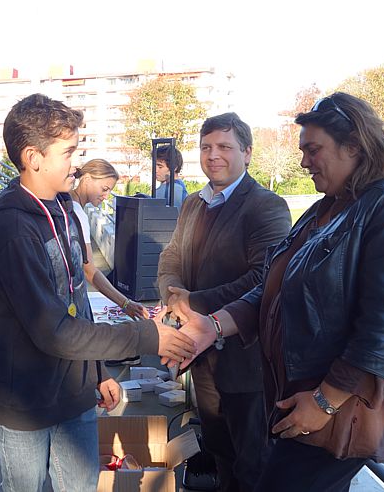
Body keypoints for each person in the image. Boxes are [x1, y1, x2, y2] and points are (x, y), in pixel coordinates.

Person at [170, 93, 384, 492]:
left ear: (354, 146)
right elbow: (273, 288)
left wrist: (324, 401)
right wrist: (213, 325)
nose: (303, 162)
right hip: (303, 400)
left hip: (337, 408)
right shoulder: (326, 209)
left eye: (313, 150)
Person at [0, 93, 198, 491]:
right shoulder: (14, 232)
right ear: (33, 158)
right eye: (68, 152)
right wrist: (146, 335)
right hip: (25, 405)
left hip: (74, 391)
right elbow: (55, 332)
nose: (75, 163)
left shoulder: (63, 209)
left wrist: (97, 371)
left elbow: (76, 298)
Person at [156, 112, 291, 491]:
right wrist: (173, 295)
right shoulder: (193, 204)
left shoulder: (266, 206)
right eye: (206, 147)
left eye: (224, 147)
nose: (213, 155)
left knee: (253, 464)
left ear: (247, 153)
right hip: (202, 360)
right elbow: (171, 258)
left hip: (247, 364)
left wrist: (192, 302)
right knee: (220, 453)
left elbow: (265, 279)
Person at [70, 159, 148, 319]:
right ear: (87, 179)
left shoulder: (66, 203)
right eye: (104, 189)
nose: (106, 196)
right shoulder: (77, 213)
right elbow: (89, 270)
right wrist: (125, 303)